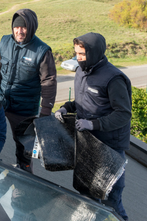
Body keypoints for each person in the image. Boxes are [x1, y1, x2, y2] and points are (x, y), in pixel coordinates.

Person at [55, 32, 131, 221]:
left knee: (111, 202)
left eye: (82, 54)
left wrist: (94, 124)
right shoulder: (81, 71)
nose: (78, 58)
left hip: (109, 148)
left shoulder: (113, 79)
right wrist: (66, 108)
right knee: (89, 197)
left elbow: (123, 114)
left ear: (95, 53)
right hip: (89, 145)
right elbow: (84, 101)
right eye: (76, 53)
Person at [0, 9, 57, 172]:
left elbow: (48, 82)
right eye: (16, 27)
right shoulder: (4, 42)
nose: (19, 31)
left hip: (23, 109)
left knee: (24, 146)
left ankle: (24, 172)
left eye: (24, 27)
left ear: (31, 28)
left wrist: (45, 112)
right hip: (0, 101)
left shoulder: (42, 51)